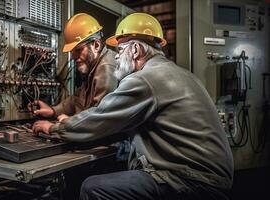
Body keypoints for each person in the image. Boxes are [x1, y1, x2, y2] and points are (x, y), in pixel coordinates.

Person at [32, 13, 234, 200]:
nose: (116, 56)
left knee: (93, 187)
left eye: (119, 50)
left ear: (136, 50)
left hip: (191, 181)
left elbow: (101, 117)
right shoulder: (179, 73)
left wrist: (54, 128)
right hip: (208, 178)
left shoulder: (145, 79)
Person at [31, 13, 118, 122]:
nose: (73, 57)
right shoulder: (94, 67)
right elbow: (76, 100)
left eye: (78, 50)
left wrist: (63, 125)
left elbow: (98, 120)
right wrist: (53, 111)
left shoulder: (106, 68)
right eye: (72, 52)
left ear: (96, 45)